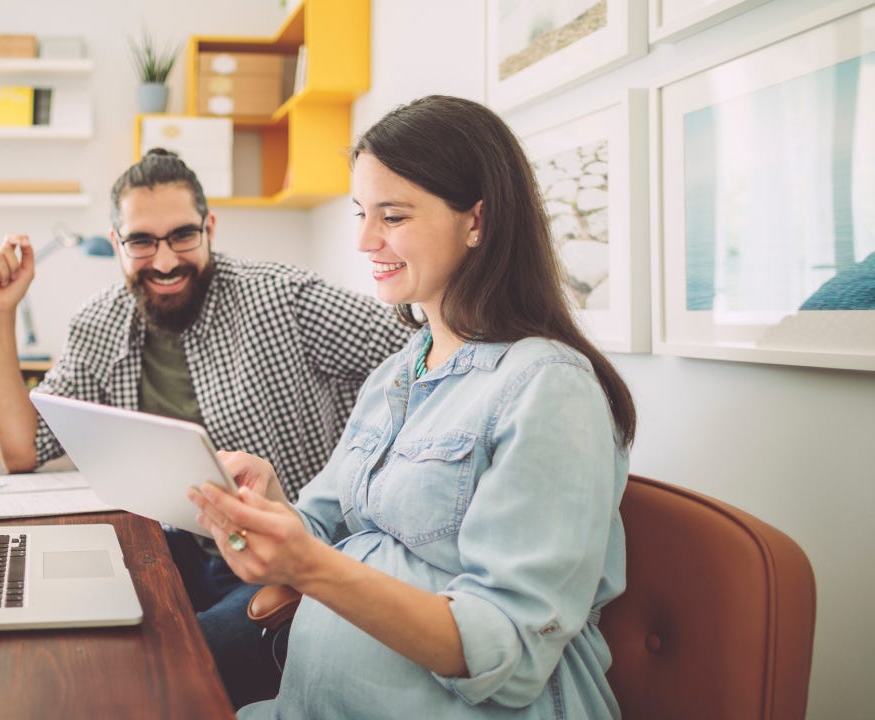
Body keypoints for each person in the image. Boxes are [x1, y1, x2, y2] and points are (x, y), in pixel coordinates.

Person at [189, 95, 637, 719]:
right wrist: (267, 503)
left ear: (476, 221)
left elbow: (505, 652)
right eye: (361, 214)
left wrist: (311, 567)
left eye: (393, 216)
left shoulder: (548, 386)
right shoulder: (398, 372)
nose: (365, 240)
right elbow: (322, 527)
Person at [0, 148, 410, 706]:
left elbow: (419, 355)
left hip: (286, 558)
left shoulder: (282, 296)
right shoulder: (100, 323)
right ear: (118, 243)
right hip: (172, 545)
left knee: (167, 671)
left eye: (182, 236)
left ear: (209, 228)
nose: (164, 260)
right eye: (142, 242)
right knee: (74, 641)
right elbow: (22, 450)